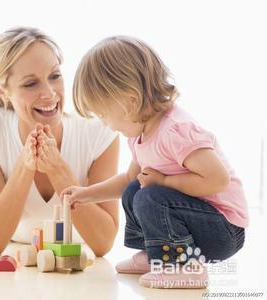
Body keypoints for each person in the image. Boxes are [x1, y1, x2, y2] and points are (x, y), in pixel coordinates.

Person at [61, 36, 248, 288]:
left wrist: (164, 181)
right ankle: (156, 256)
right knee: (134, 189)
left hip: (224, 230)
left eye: (104, 114)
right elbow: (129, 179)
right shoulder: (139, 135)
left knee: (148, 196)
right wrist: (86, 194)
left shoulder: (175, 130)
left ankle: (185, 266)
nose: (105, 124)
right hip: (193, 223)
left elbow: (217, 179)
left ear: (130, 101)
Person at [0, 27, 119, 256]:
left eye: (55, 76)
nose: (49, 93)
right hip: (17, 274)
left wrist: (58, 169)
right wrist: (25, 166)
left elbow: (103, 243)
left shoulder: (98, 131)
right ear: (1, 90)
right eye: (31, 84)